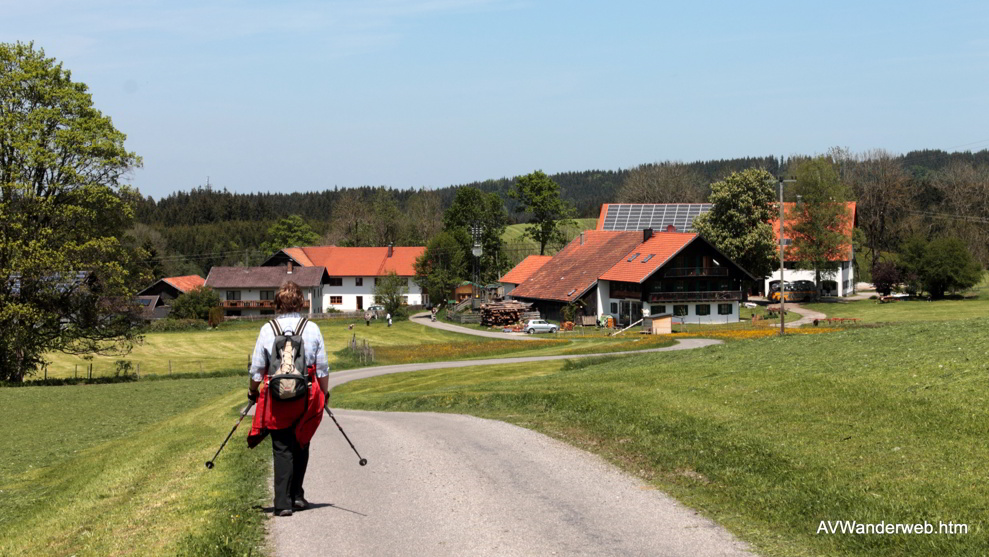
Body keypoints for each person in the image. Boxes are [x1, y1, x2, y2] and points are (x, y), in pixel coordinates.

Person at [245, 281, 329, 517]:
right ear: (301, 302)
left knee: (282, 446)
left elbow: (257, 368)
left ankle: (283, 503)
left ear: (277, 304)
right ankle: (298, 496)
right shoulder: (311, 328)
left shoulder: (267, 329)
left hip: (277, 396)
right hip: (307, 394)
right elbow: (322, 367)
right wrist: (325, 393)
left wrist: (253, 391)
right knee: (301, 441)